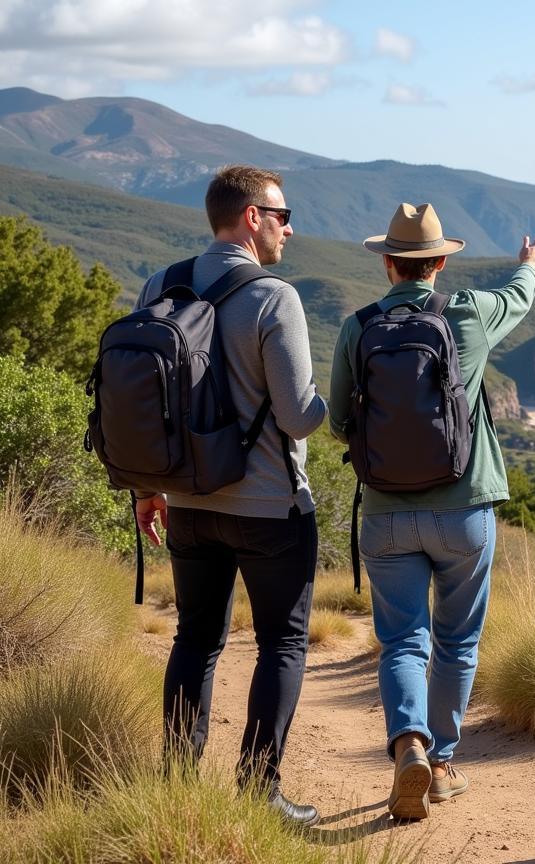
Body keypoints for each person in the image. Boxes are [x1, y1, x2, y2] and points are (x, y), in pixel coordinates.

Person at [329, 202, 535, 821]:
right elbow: (519, 295)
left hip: (385, 515)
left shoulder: (358, 326)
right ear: (442, 261)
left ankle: (409, 746)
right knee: (456, 642)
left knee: (403, 641)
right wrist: (530, 263)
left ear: (388, 263)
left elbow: (342, 420)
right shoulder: (469, 314)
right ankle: (444, 764)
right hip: (465, 508)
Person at [133, 164, 327, 826]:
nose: (289, 228)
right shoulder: (276, 297)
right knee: (282, 643)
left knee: (195, 639)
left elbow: (144, 404)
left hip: (187, 502)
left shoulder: (161, 284)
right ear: (251, 218)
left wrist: (148, 487)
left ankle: (177, 785)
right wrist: (333, 403)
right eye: (282, 215)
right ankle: (258, 791)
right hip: (271, 508)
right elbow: (299, 417)